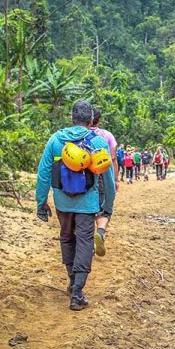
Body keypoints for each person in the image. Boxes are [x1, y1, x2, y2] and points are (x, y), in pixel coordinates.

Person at [36, 101, 116, 311]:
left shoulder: (56, 139)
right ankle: (78, 293)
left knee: (66, 238)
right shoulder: (98, 142)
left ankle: (73, 282)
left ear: (71, 118)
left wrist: (41, 201)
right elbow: (107, 176)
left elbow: (44, 172)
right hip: (88, 204)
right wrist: (109, 202)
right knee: (84, 242)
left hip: (62, 201)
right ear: (91, 120)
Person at [90, 108, 118, 257]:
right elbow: (112, 159)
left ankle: (87, 243)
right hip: (101, 175)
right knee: (105, 210)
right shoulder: (106, 136)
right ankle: (100, 232)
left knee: (87, 209)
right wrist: (115, 180)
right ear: (99, 120)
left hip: (83, 176)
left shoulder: (78, 135)